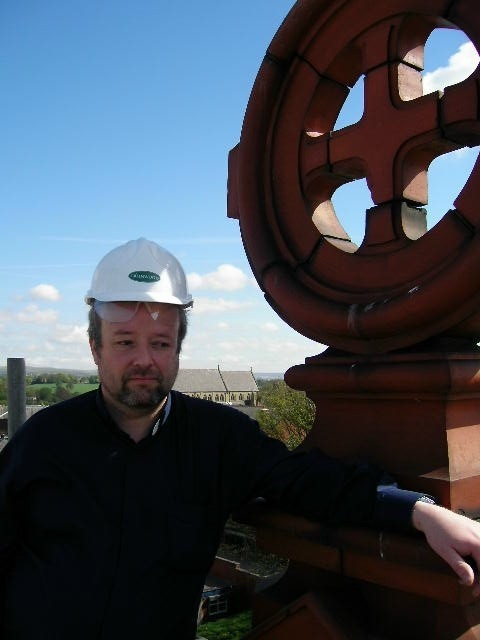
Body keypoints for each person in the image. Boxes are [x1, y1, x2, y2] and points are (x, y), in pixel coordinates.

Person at [0, 237, 479, 640]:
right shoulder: (43, 442)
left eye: (160, 343)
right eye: (125, 341)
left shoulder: (218, 440)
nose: (144, 359)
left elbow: (307, 480)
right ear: (95, 348)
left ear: (178, 348)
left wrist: (418, 511)